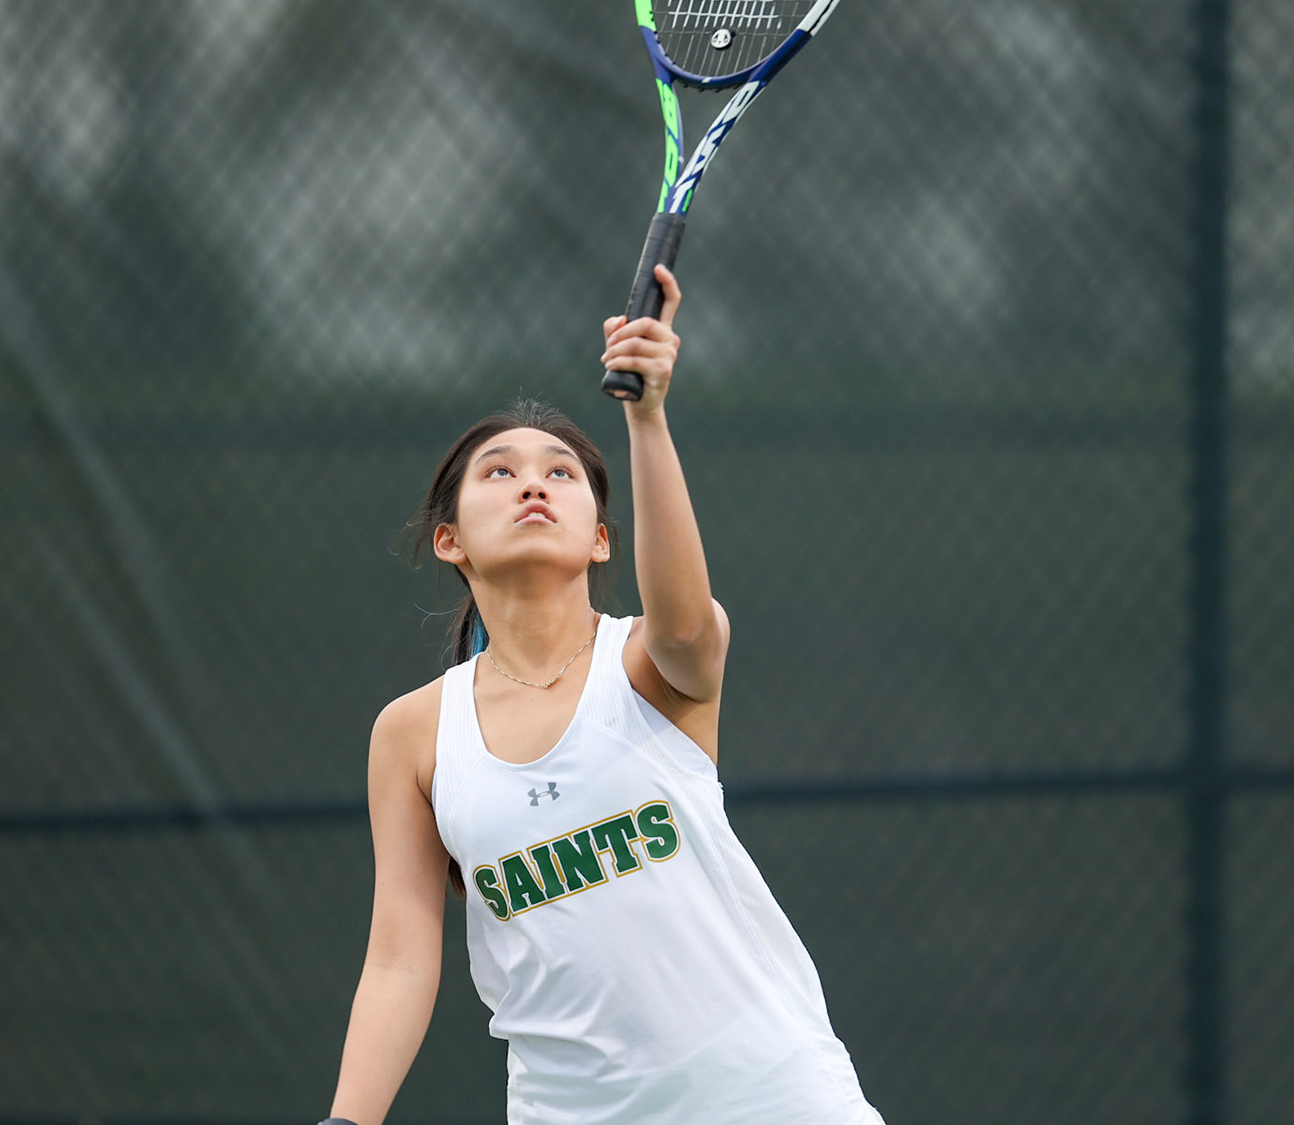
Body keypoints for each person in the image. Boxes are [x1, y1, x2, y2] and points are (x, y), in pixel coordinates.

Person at [323, 265, 884, 1125]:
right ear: (449, 540)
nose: (533, 484)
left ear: (601, 540)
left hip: (772, 1095)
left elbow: (689, 627)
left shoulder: (650, 665)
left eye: (561, 474)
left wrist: (646, 415)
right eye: (499, 474)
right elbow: (401, 959)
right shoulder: (413, 734)